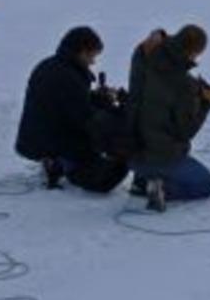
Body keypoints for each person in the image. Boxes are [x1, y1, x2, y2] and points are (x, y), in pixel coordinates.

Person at [15, 27, 129, 193]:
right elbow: (85, 118)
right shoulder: (68, 76)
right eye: (92, 56)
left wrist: (97, 98)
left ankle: (58, 161)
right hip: (48, 140)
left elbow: (67, 103)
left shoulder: (52, 65)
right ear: (82, 52)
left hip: (36, 137)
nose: (93, 62)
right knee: (105, 177)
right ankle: (63, 163)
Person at [128, 25, 210, 212]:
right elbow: (186, 131)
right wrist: (205, 104)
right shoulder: (183, 85)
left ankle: (141, 179)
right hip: (160, 155)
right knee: (207, 184)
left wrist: (196, 88)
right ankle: (158, 188)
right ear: (193, 52)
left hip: (131, 148)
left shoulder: (144, 54)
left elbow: (161, 80)